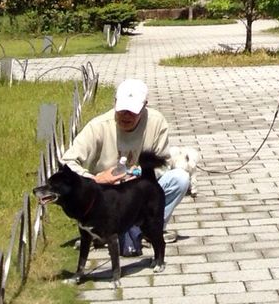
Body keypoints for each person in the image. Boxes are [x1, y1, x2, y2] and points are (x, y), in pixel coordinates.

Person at [60, 78, 190, 256]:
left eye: (132, 111)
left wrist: (138, 175)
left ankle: (152, 229)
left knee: (180, 179)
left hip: (140, 190)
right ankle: (99, 232)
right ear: (114, 104)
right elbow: (67, 162)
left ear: (144, 106)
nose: (126, 116)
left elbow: (164, 163)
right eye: (122, 110)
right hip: (106, 194)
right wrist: (93, 179)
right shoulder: (98, 126)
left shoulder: (157, 122)